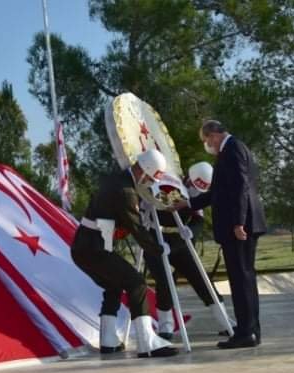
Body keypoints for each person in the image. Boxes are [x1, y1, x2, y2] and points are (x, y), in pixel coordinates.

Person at [70, 149, 178, 357]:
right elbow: (136, 227)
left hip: (87, 246)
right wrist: (158, 248)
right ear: (146, 170)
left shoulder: (116, 179)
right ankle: (147, 342)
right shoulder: (126, 191)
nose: (150, 182)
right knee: (136, 282)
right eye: (152, 177)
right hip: (95, 247)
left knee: (113, 285)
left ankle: (108, 340)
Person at [175, 120, 267, 349]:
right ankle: (250, 328)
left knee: (241, 278)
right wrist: (187, 203)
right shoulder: (232, 150)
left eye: (207, 140)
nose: (208, 145)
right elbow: (215, 193)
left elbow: (240, 188)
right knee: (244, 277)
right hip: (241, 223)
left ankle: (247, 332)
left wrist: (238, 222)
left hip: (239, 225)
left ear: (214, 134)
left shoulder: (233, 149)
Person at [143, 161, 232, 339]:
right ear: (189, 179)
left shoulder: (196, 196)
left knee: (201, 279)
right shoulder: (167, 184)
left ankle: (225, 321)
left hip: (180, 242)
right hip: (156, 240)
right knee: (165, 281)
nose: (196, 192)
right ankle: (166, 326)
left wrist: (191, 231)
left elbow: (198, 218)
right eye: (194, 187)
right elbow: (164, 204)